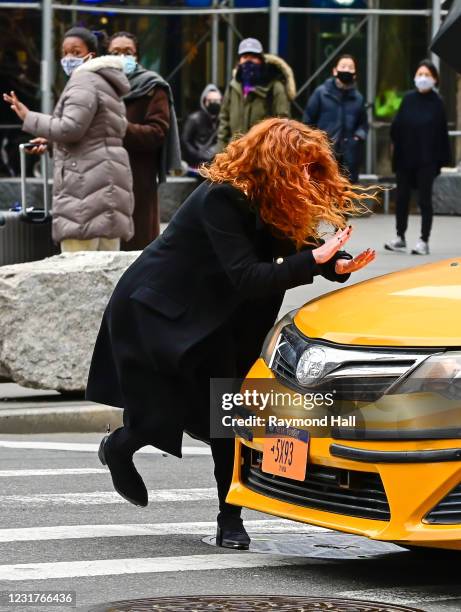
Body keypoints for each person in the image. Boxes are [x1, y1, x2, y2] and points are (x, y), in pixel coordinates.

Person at [85, 117, 376, 550]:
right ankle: (120, 446)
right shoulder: (221, 197)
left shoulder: (276, 201)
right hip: (160, 313)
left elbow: (299, 251)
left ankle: (229, 519)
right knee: (158, 417)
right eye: (298, 168)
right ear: (273, 164)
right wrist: (316, 258)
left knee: (228, 420)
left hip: (221, 320)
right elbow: (248, 276)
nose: (306, 179)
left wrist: (335, 264)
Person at [3, 27, 134, 253]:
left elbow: (71, 128)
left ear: (90, 55)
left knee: (78, 265)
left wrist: (29, 117)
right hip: (106, 181)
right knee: (108, 269)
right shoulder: (106, 82)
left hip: (85, 186)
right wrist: (51, 140)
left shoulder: (83, 80)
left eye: (75, 51)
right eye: (65, 53)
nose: (68, 58)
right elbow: (94, 131)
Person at [108, 31, 182, 250]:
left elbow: (158, 132)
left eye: (127, 52)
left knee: (137, 248)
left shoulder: (152, 87)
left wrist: (122, 128)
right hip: (105, 177)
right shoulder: (102, 86)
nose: (121, 57)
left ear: (137, 56)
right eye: (115, 52)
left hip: (138, 178)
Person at [385, 59, 450, 256]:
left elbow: (441, 135)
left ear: (435, 79)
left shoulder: (438, 104)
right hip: (405, 158)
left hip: (426, 160)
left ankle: (424, 240)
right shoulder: (408, 99)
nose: (422, 78)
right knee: (402, 198)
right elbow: (397, 126)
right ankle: (400, 237)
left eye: (427, 75)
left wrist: (439, 161)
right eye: (420, 74)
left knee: (424, 201)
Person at [217, 38, 295, 150]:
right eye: (245, 57)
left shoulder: (274, 87)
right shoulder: (234, 87)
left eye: (253, 57)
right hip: (235, 154)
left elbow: (282, 124)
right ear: (239, 61)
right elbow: (224, 122)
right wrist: (221, 153)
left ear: (261, 60)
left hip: (262, 155)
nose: (248, 61)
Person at [303, 54, 368, 184]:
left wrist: (357, 138)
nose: (346, 70)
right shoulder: (321, 93)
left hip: (349, 156)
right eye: (343, 66)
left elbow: (364, 125)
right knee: (322, 190)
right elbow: (307, 121)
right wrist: (315, 140)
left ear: (355, 74)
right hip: (323, 153)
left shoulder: (358, 98)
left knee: (346, 194)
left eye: (350, 67)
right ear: (335, 71)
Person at [181, 84, 222, 171]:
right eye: (211, 100)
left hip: (216, 164)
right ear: (204, 101)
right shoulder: (194, 119)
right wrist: (197, 155)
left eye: (217, 100)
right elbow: (185, 141)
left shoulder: (222, 120)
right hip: (197, 165)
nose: (214, 103)